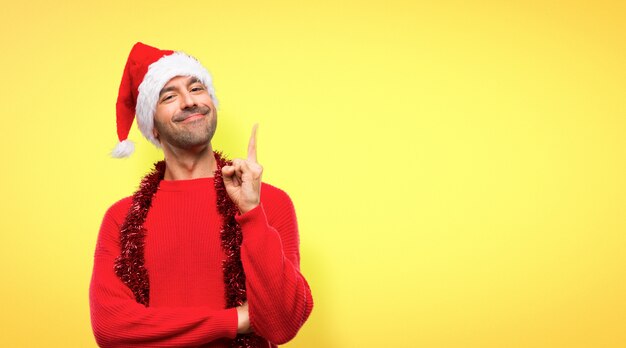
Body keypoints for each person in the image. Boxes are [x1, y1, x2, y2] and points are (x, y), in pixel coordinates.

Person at [89, 42, 313, 348]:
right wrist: (235, 320)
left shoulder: (268, 201)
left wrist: (251, 212)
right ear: (151, 127)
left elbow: (282, 323)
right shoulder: (121, 218)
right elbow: (111, 328)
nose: (189, 102)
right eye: (169, 96)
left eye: (197, 88)